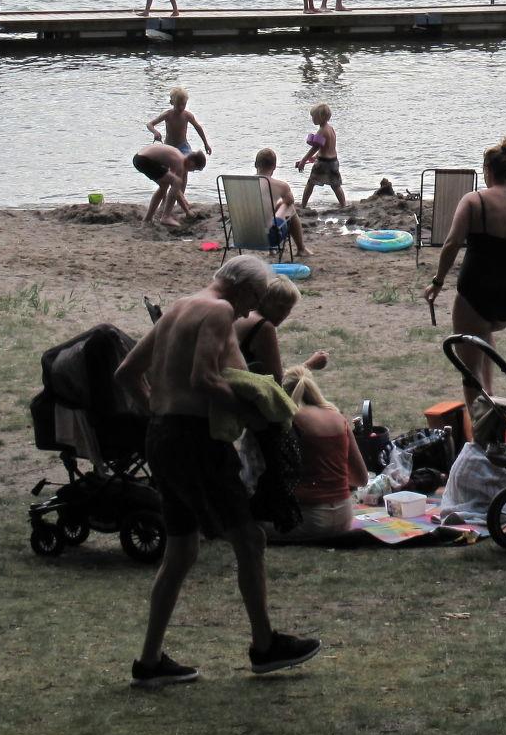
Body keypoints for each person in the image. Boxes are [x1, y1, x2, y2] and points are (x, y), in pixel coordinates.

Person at [115, 255, 321, 685]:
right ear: (243, 290)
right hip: (195, 442)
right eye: (255, 299)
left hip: (163, 439)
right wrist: (255, 412)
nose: (251, 311)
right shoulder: (219, 310)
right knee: (248, 537)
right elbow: (205, 378)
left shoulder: (180, 306)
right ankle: (264, 646)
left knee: (182, 550)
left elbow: (127, 372)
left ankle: (149, 661)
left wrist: (156, 409)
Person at [424, 137, 506, 414]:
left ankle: (481, 440)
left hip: (476, 292)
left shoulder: (474, 201)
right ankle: (492, 396)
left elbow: (451, 243)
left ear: (488, 170)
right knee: (483, 333)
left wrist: (437, 281)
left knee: (471, 376)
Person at [265, 367, 367, 544]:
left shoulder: (289, 421)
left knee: (246, 524)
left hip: (310, 518)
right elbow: (361, 479)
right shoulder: (337, 417)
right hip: (345, 516)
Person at [233, 275, 328, 377]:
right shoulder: (263, 327)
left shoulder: (244, 316)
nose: (284, 314)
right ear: (264, 300)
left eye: (289, 308)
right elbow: (278, 381)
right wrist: (309, 365)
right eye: (280, 307)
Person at [251, 146, 309, 256]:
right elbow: (290, 201)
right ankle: (301, 249)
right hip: (269, 238)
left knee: (268, 209)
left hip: (244, 235)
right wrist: (281, 204)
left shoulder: (244, 184)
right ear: (274, 166)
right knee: (289, 207)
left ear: (255, 164)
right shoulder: (281, 186)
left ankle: (272, 250)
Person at [134, 142, 206, 225]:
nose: (192, 171)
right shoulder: (180, 162)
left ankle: (147, 218)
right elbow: (176, 187)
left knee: (164, 186)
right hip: (144, 160)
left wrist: (185, 205)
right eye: (194, 169)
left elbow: (175, 190)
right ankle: (166, 217)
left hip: (139, 158)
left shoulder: (178, 157)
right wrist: (187, 211)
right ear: (192, 163)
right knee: (177, 181)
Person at [294, 103, 346, 211]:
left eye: (313, 116)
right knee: (336, 185)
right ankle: (343, 205)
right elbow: (328, 147)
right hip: (333, 161)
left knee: (311, 182)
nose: (312, 119)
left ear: (321, 117)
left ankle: (303, 205)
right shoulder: (331, 129)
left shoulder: (321, 131)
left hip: (323, 163)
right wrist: (316, 157)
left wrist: (304, 160)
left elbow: (315, 147)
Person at [147, 87, 212, 158]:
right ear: (172, 102)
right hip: (169, 146)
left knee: (187, 162)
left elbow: (198, 127)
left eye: (183, 104)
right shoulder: (167, 115)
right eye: (178, 104)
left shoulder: (187, 115)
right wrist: (155, 132)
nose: (181, 107)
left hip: (183, 147)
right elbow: (150, 124)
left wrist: (206, 144)